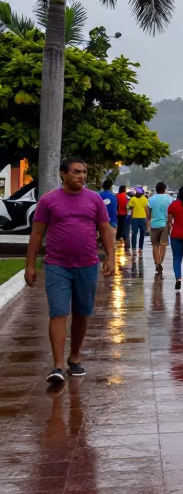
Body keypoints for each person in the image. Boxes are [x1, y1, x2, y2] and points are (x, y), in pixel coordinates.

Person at [26, 157, 115, 383]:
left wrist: (110, 258)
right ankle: (57, 366)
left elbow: (105, 230)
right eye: (76, 172)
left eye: (84, 172)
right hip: (57, 266)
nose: (81, 176)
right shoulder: (48, 201)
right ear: (63, 174)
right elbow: (37, 234)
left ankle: (74, 358)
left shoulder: (94, 200)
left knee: (82, 314)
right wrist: (30, 265)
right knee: (58, 313)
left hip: (87, 265)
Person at [147, 182, 174, 275]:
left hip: (154, 224)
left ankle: (157, 263)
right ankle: (160, 263)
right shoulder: (170, 199)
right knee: (163, 245)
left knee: (155, 245)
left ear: (156, 189)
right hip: (165, 224)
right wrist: (170, 223)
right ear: (164, 189)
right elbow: (171, 213)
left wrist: (148, 224)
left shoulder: (150, 199)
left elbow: (148, 215)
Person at [97, 179, 117, 257]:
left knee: (102, 237)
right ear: (111, 187)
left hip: (100, 221)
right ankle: (109, 259)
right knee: (111, 242)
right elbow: (115, 210)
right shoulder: (113, 197)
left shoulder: (98, 195)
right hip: (112, 221)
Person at [127, 187, 149, 253]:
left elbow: (128, 207)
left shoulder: (133, 199)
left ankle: (136, 248)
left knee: (136, 233)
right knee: (137, 234)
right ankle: (138, 248)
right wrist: (147, 218)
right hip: (141, 218)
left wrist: (130, 207)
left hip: (136, 218)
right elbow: (147, 208)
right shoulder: (144, 199)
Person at [115, 185, 130, 251]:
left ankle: (118, 236)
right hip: (124, 212)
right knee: (124, 225)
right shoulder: (125, 195)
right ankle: (123, 237)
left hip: (118, 212)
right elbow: (128, 204)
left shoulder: (117, 195)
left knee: (119, 224)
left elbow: (116, 204)